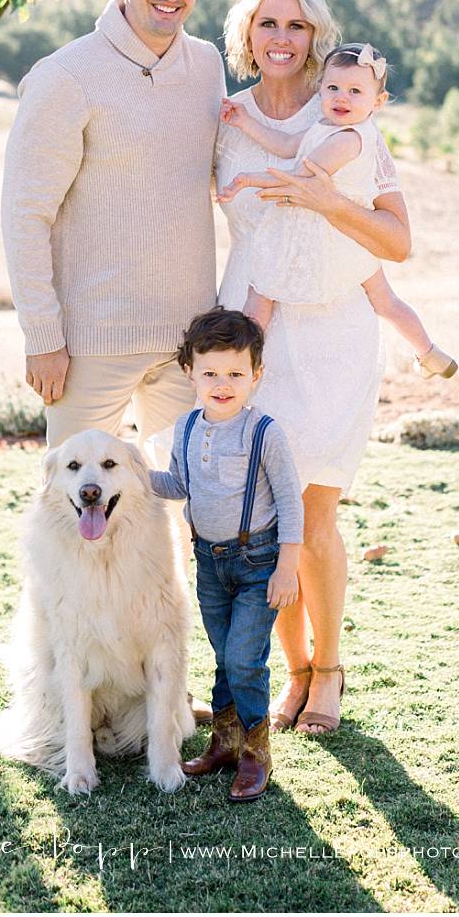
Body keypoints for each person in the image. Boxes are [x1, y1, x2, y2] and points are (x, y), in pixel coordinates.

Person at [215, 0, 414, 736]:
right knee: (260, 517)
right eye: (268, 23)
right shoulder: (225, 120)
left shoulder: (350, 121)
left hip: (331, 327)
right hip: (251, 319)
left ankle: (328, 670)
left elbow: (399, 241)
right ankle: (290, 672)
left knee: (316, 507)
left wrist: (329, 198)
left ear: (316, 37)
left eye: (296, 26)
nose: (281, 39)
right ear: (247, 33)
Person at [1, 0, 225, 455]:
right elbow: (26, 214)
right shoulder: (65, 75)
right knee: (78, 513)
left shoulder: (207, 66)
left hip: (188, 341)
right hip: (89, 344)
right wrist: (43, 337)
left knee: (189, 506)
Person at [218, 41, 457, 378]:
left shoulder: (351, 139)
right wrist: (245, 122)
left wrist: (247, 179)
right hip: (344, 238)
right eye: (333, 88)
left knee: (260, 292)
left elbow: (301, 177)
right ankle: (429, 353)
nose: (341, 97)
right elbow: (287, 146)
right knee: (384, 300)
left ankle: (242, 362)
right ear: (320, 91)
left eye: (355, 91)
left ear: (378, 102)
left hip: (332, 236)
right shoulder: (325, 128)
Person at [148, 308, 303, 801]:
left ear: (256, 375)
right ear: (189, 372)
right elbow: (177, 484)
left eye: (235, 373)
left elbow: (290, 502)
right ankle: (225, 742)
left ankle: (256, 755)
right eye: (210, 372)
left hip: (259, 563)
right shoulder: (187, 427)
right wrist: (130, 474)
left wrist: (287, 567)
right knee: (224, 656)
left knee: (244, 658)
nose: (222, 383)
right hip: (209, 564)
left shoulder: (265, 432)